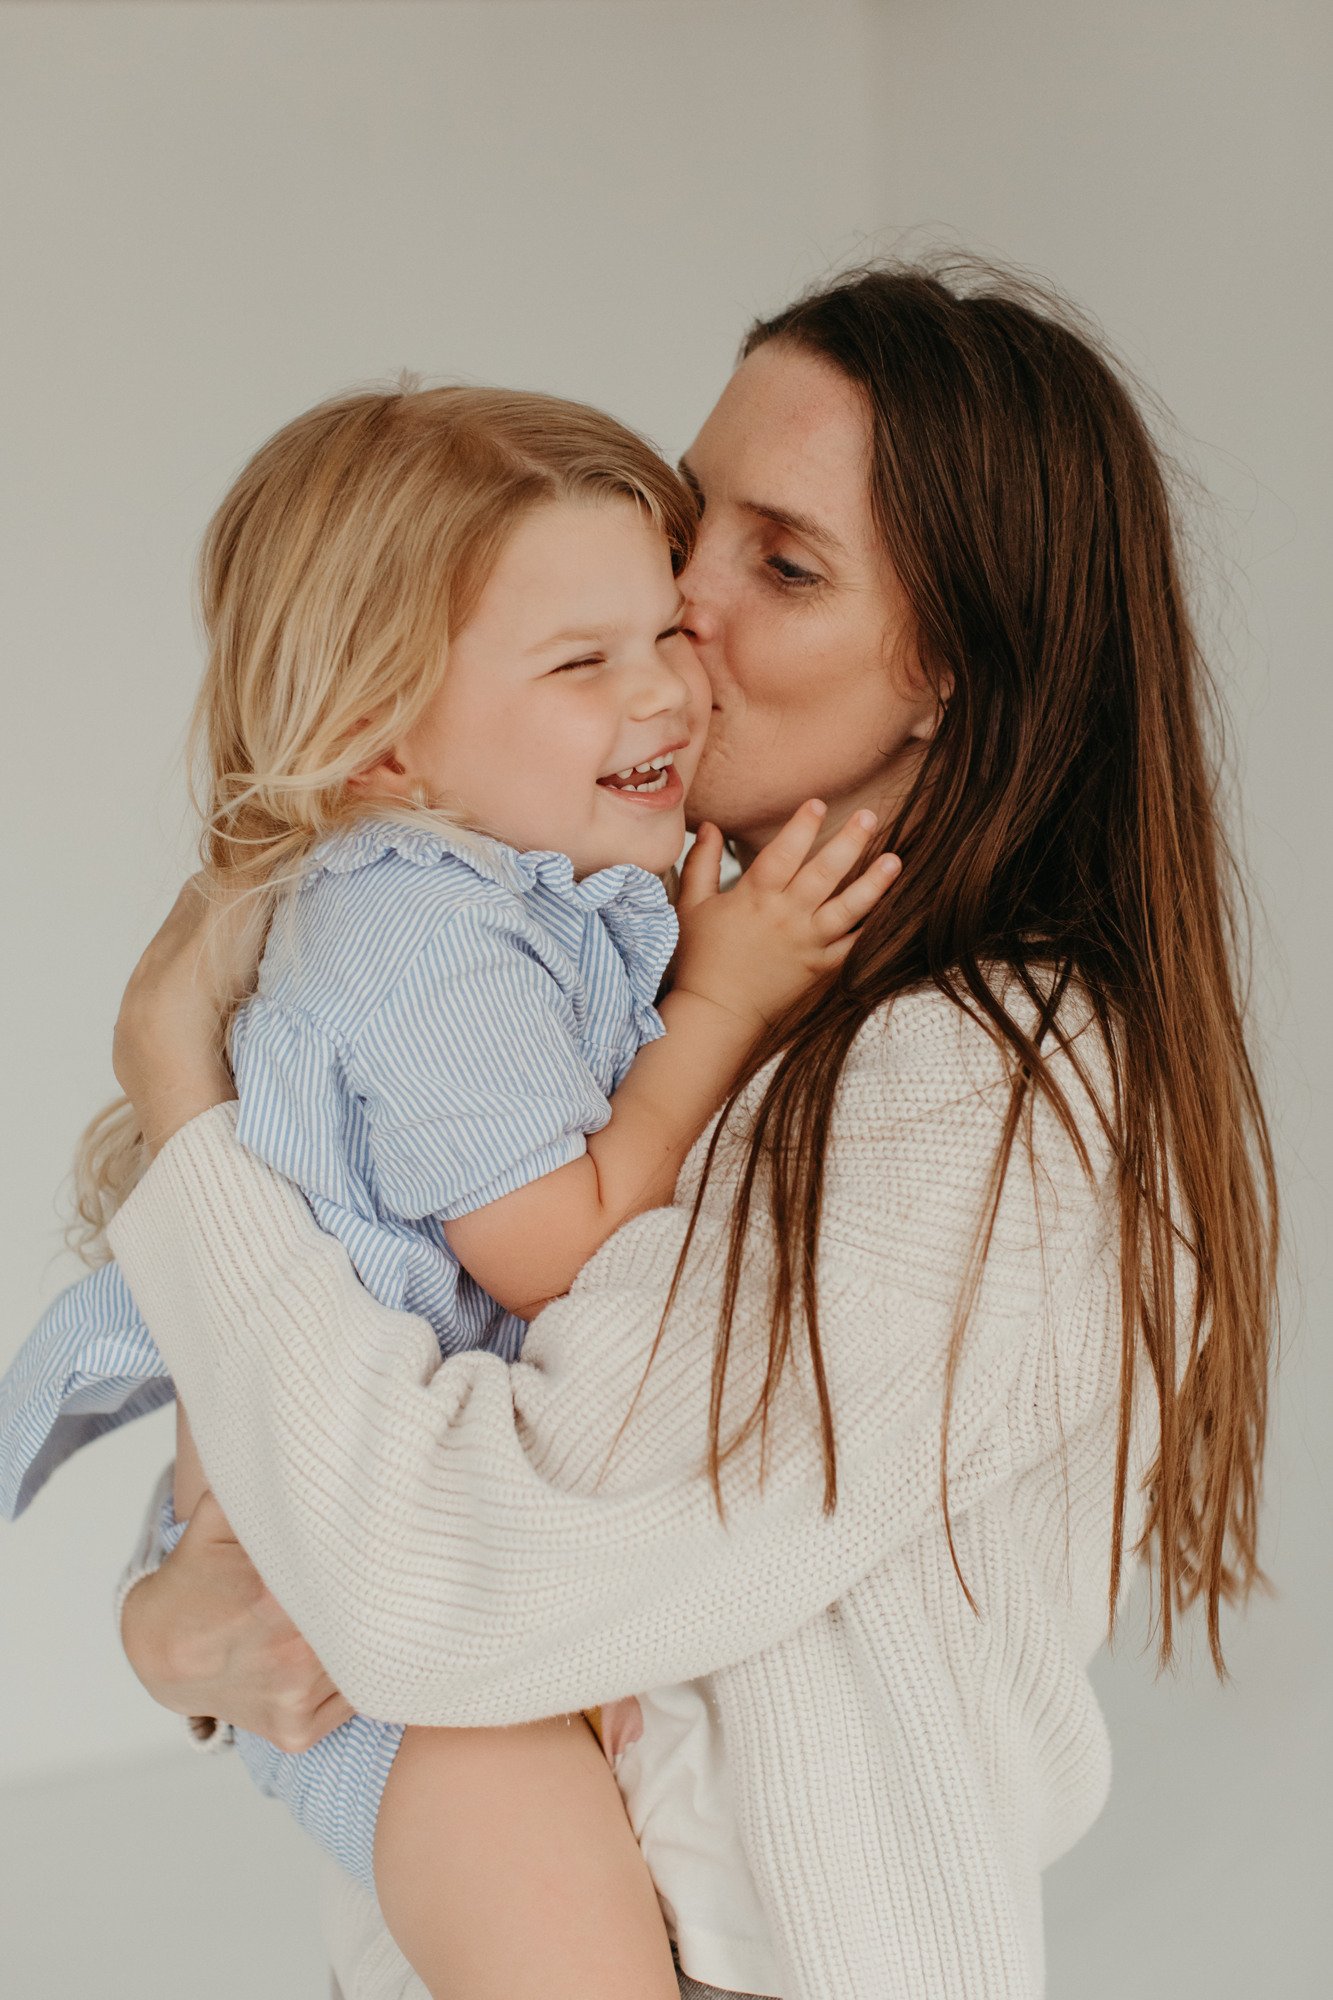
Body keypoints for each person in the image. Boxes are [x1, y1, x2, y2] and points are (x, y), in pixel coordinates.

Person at [107, 260, 1276, 2000]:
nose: (681, 608)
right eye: (688, 522)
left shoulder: (988, 1092)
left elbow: (438, 1576)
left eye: (782, 565)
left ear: (951, 666)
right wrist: (170, 1630)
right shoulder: (629, 962)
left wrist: (177, 1094)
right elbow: (310, 1429)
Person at [0, 384, 898, 2000]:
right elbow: (557, 1252)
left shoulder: (517, 893)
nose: (671, 690)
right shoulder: (420, 932)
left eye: (660, 634)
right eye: (585, 662)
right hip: (368, 1611)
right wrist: (723, 1003)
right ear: (382, 745)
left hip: (396, 1557)